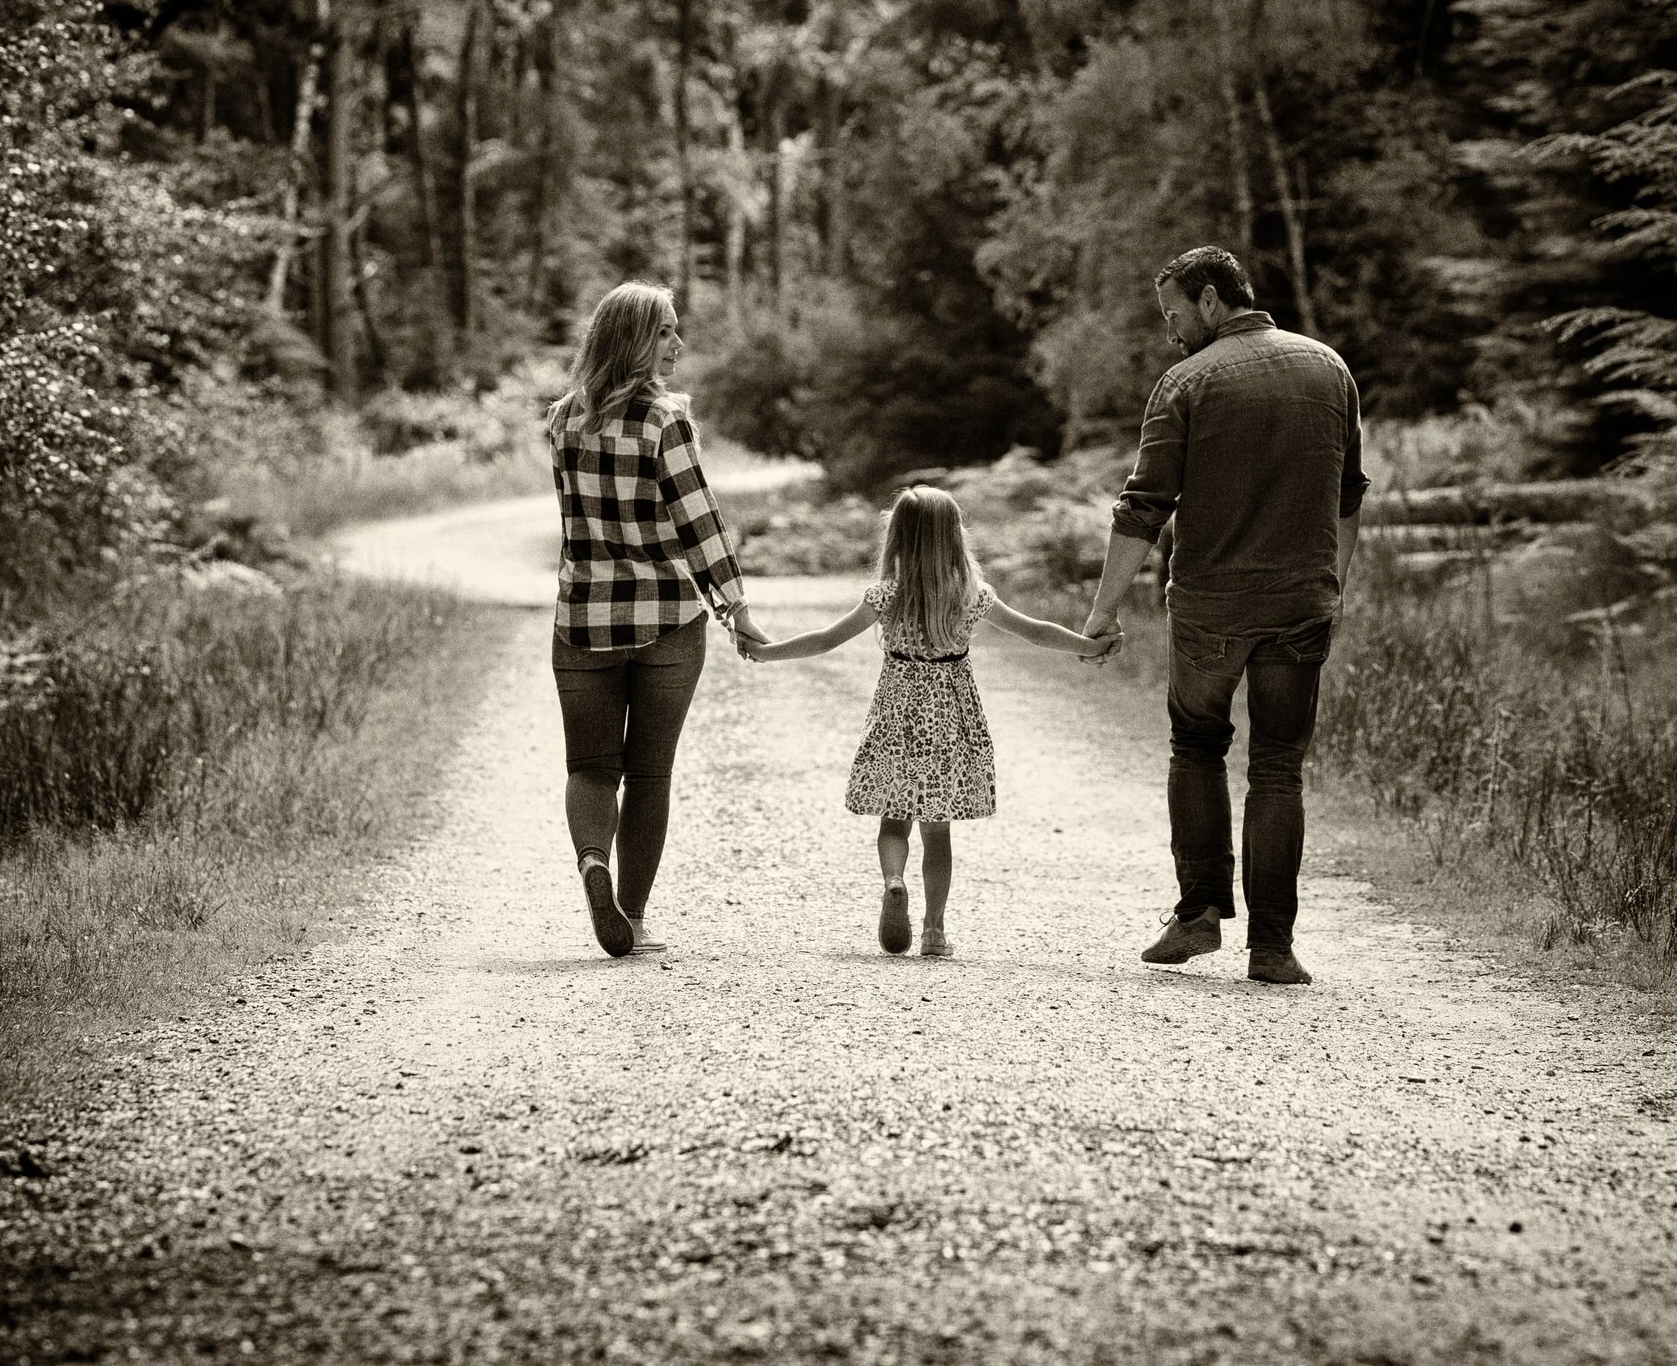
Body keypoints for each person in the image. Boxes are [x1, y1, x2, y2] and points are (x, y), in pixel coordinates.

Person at [1081, 247, 1368, 986]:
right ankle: (1272, 946)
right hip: (1302, 603)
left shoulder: (1186, 382)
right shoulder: (1330, 369)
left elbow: (1143, 506)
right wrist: (1332, 588)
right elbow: (1349, 494)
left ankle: (1200, 911)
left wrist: (1102, 612)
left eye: (1175, 314)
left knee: (1198, 745)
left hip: (1213, 606)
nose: (1171, 332)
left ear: (1211, 301)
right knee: (1279, 767)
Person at [738, 485, 1104, 957]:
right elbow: (1036, 632)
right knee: (938, 832)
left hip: (897, 720)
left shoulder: (885, 596)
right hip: (952, 725)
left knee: (894, 822)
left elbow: (826, 640)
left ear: (897, 539)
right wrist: (1090, 646)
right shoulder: (974, 597)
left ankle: (894, 881)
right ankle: (934, 931)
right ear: (954, 538)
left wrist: (767, 652)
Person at [545, 281, 765, 958]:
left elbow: (576, 525)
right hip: (667, 619)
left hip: (582, 620)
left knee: (589, 768)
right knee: (648, 774)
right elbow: (699, 521)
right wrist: (736, 607)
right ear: (637, 338)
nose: (678, 343)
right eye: (667, 331)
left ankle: (592, 863)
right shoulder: (664, 420)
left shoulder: (562, 420)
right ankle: (632, 918)